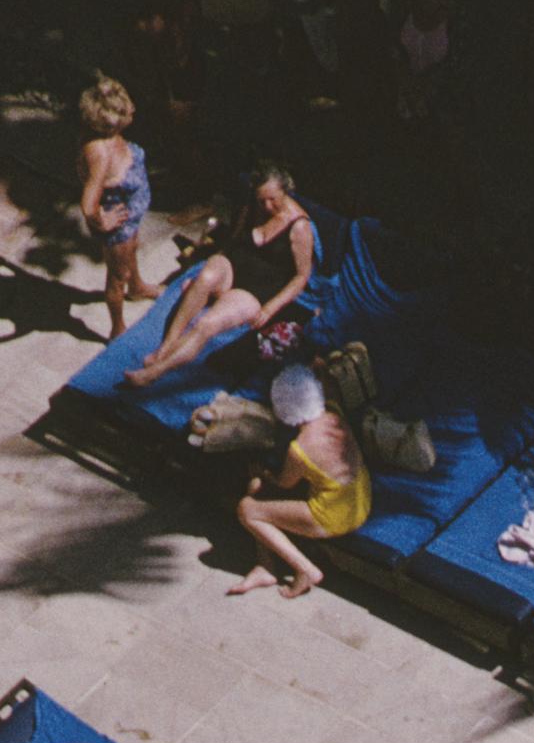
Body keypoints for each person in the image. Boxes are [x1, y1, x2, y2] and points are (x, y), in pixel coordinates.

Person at [147, 164, 326, 382]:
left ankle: (154, 372)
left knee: (206, 324)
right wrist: (207, 269)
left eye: (273, 199)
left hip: (255, 290)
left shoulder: (299, 226)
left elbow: (301, 276)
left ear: (286, 192)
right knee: (205, 277)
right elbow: (235, 239)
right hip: (234, 267)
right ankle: (166, 346)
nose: (267, 206)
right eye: (262, 200)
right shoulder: (252, 205)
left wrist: (270, 308)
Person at [231, 360, 374, 593]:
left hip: (333, 517)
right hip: (360, 500)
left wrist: (263, 473)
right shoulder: (334, 414)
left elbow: (284, 484)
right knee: (257, 489)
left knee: (248, 508)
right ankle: (265, 568)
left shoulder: (299, 449)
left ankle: (306, 569)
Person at [75, 81, 156, 331]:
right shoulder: (100, 153)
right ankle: (117, 328)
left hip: (132, 213)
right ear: (111, 121)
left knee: (133, 250)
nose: (133, 110)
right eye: (126, 110)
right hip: (119, 223)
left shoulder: (111, 136)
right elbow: (88, 204)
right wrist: (100, 220)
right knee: (117, 277)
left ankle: (138, 288)